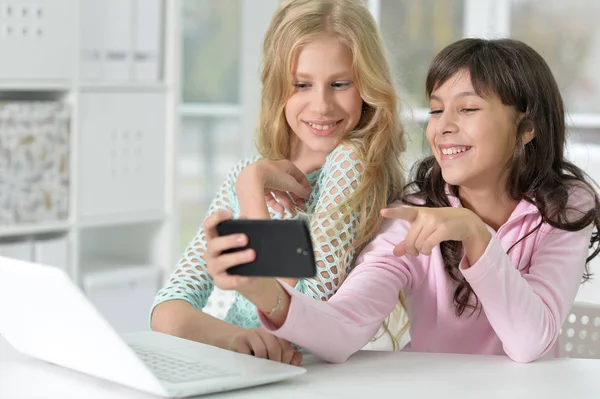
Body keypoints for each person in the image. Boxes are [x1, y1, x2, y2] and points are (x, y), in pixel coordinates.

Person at [206, 37, 600, 364]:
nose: (443, 127)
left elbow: (531, 343)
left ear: (526, 127)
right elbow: (344, 328)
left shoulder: (565, 207)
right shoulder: (413, 214)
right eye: (435, 109)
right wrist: (262, 291)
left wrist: (476, 236)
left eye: (467, 109)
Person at [150, 0, 406, 365]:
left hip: (304, 376)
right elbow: (168, 308)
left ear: (365, 85)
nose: (321, 105)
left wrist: (251, 193)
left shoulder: (350, 163)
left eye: (339, 84)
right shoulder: (250, 171)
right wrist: (238, 339)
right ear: (277, 86)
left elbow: (299, 308)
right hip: (247, 364)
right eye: (301, 84)